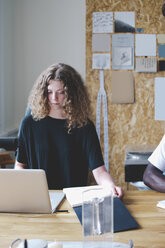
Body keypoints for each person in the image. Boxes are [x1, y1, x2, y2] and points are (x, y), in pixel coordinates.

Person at [15, 63, 123, 198]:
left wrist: (110, 186)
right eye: (49, 92)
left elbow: (99, 171)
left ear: (71, 94)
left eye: (60, 92)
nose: (54, 98)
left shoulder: (84, 126)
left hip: (73, 199)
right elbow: (20, 166)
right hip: (39, 198)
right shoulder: (29, 124)